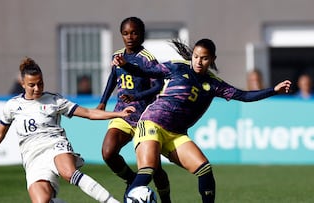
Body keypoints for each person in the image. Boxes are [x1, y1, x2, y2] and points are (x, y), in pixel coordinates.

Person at [112, 38, 292, 203]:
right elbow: (145, 71)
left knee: (204, 169)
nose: (198, 61)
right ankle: (130, 196)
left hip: (176, 135)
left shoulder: (214, 84)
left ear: (212, 59)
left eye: (204, 58)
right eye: (196, 56)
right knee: (148, 170)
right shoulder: (177, 67)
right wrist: (126, 65)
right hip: (152, 124)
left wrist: (273, 90)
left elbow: (244, 95)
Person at [0, 57, 136, 203]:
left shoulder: (54, 100)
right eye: (32, 85)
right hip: (32, 156)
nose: (37, 88)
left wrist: (118, 114)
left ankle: (112, 202)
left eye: (40, 83)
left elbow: (89, 112)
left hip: (55, 144)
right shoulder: (12, 106)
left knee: (69, 172)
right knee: (43, 201)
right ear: (22, 84)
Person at [97, 17, 171, 203]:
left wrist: (136, 97)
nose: (129, 37)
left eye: (134, 32)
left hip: (145, 118)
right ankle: (131, 181)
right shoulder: (118, 55)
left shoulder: (147, 59)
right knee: (108, 152)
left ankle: (166, 200)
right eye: (125, 33)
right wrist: (103, 102)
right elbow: (113, 78)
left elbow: (158, 86)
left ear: (142, 35)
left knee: (155, 168)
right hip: (123, 113)